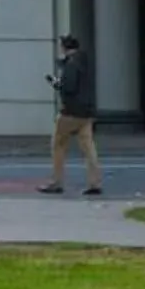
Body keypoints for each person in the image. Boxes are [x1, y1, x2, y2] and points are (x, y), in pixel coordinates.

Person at [38, 34, 103, 195]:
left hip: (71, 111)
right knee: (88, 147)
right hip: (87, 111)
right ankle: (95, 182)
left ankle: (56, 181)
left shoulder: (71, 64)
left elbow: (68, 87)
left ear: (64, 48)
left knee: (58, 145)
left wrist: (56, 83)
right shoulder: (85, 62)